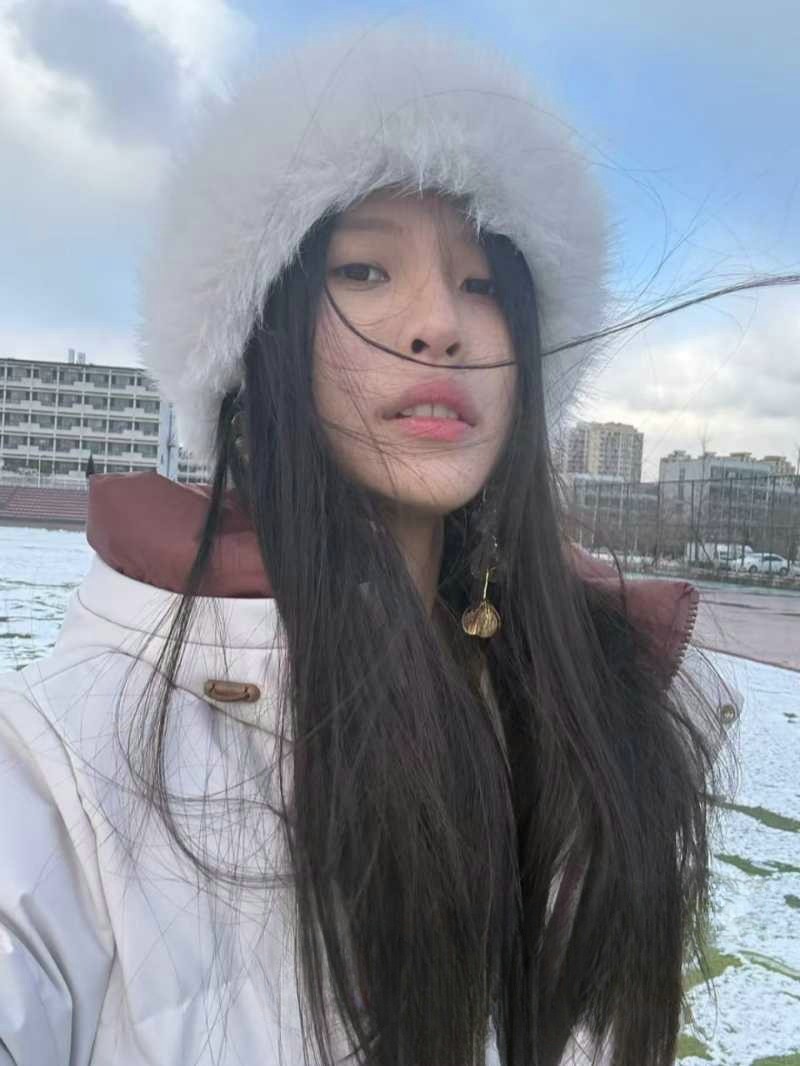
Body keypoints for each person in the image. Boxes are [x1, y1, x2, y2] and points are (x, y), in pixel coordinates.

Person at [0, 20, 731, 1066]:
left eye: (483, 282)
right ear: (258, 337)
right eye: (364, 269)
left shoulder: (596, 711)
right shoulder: (62, 760)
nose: (440, 323)